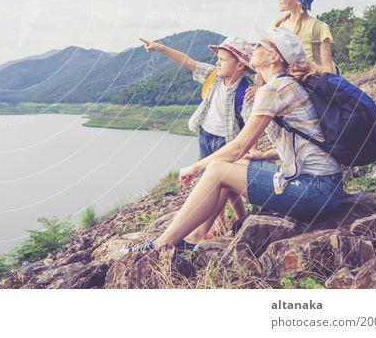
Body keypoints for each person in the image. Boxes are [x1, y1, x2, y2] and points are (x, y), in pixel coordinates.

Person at [123, 27, 344, 255]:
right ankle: (193, 237)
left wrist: (197, 166)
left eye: (260, 45)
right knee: (228, 168)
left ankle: (162, 244)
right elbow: (307, 142)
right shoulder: (283, 85)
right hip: (324, 186)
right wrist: (265, 155)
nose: (254, 48)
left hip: (315, 191)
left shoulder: (275, 89)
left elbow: (239, 147)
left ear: (274, 57)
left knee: (217, 170)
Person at [138, 35, 255, 246]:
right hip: (205, 136)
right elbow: (187, 61)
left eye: (223, 59)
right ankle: (232, 219)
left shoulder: (245, 92)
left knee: (218, 184)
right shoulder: (213, 75)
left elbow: (250, 126)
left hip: (226, 143)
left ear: (240, 65)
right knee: (215, 183)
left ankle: (209, 227)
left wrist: (251, 151)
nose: (217, 62)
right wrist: (161, 48)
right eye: (217, 58)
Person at [246, 0, 335, 103]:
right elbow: (265, 55)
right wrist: (257, 85)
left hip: (308, 92)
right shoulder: (278, 25)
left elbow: (329, 70)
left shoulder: (319, 28)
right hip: (282, 88)